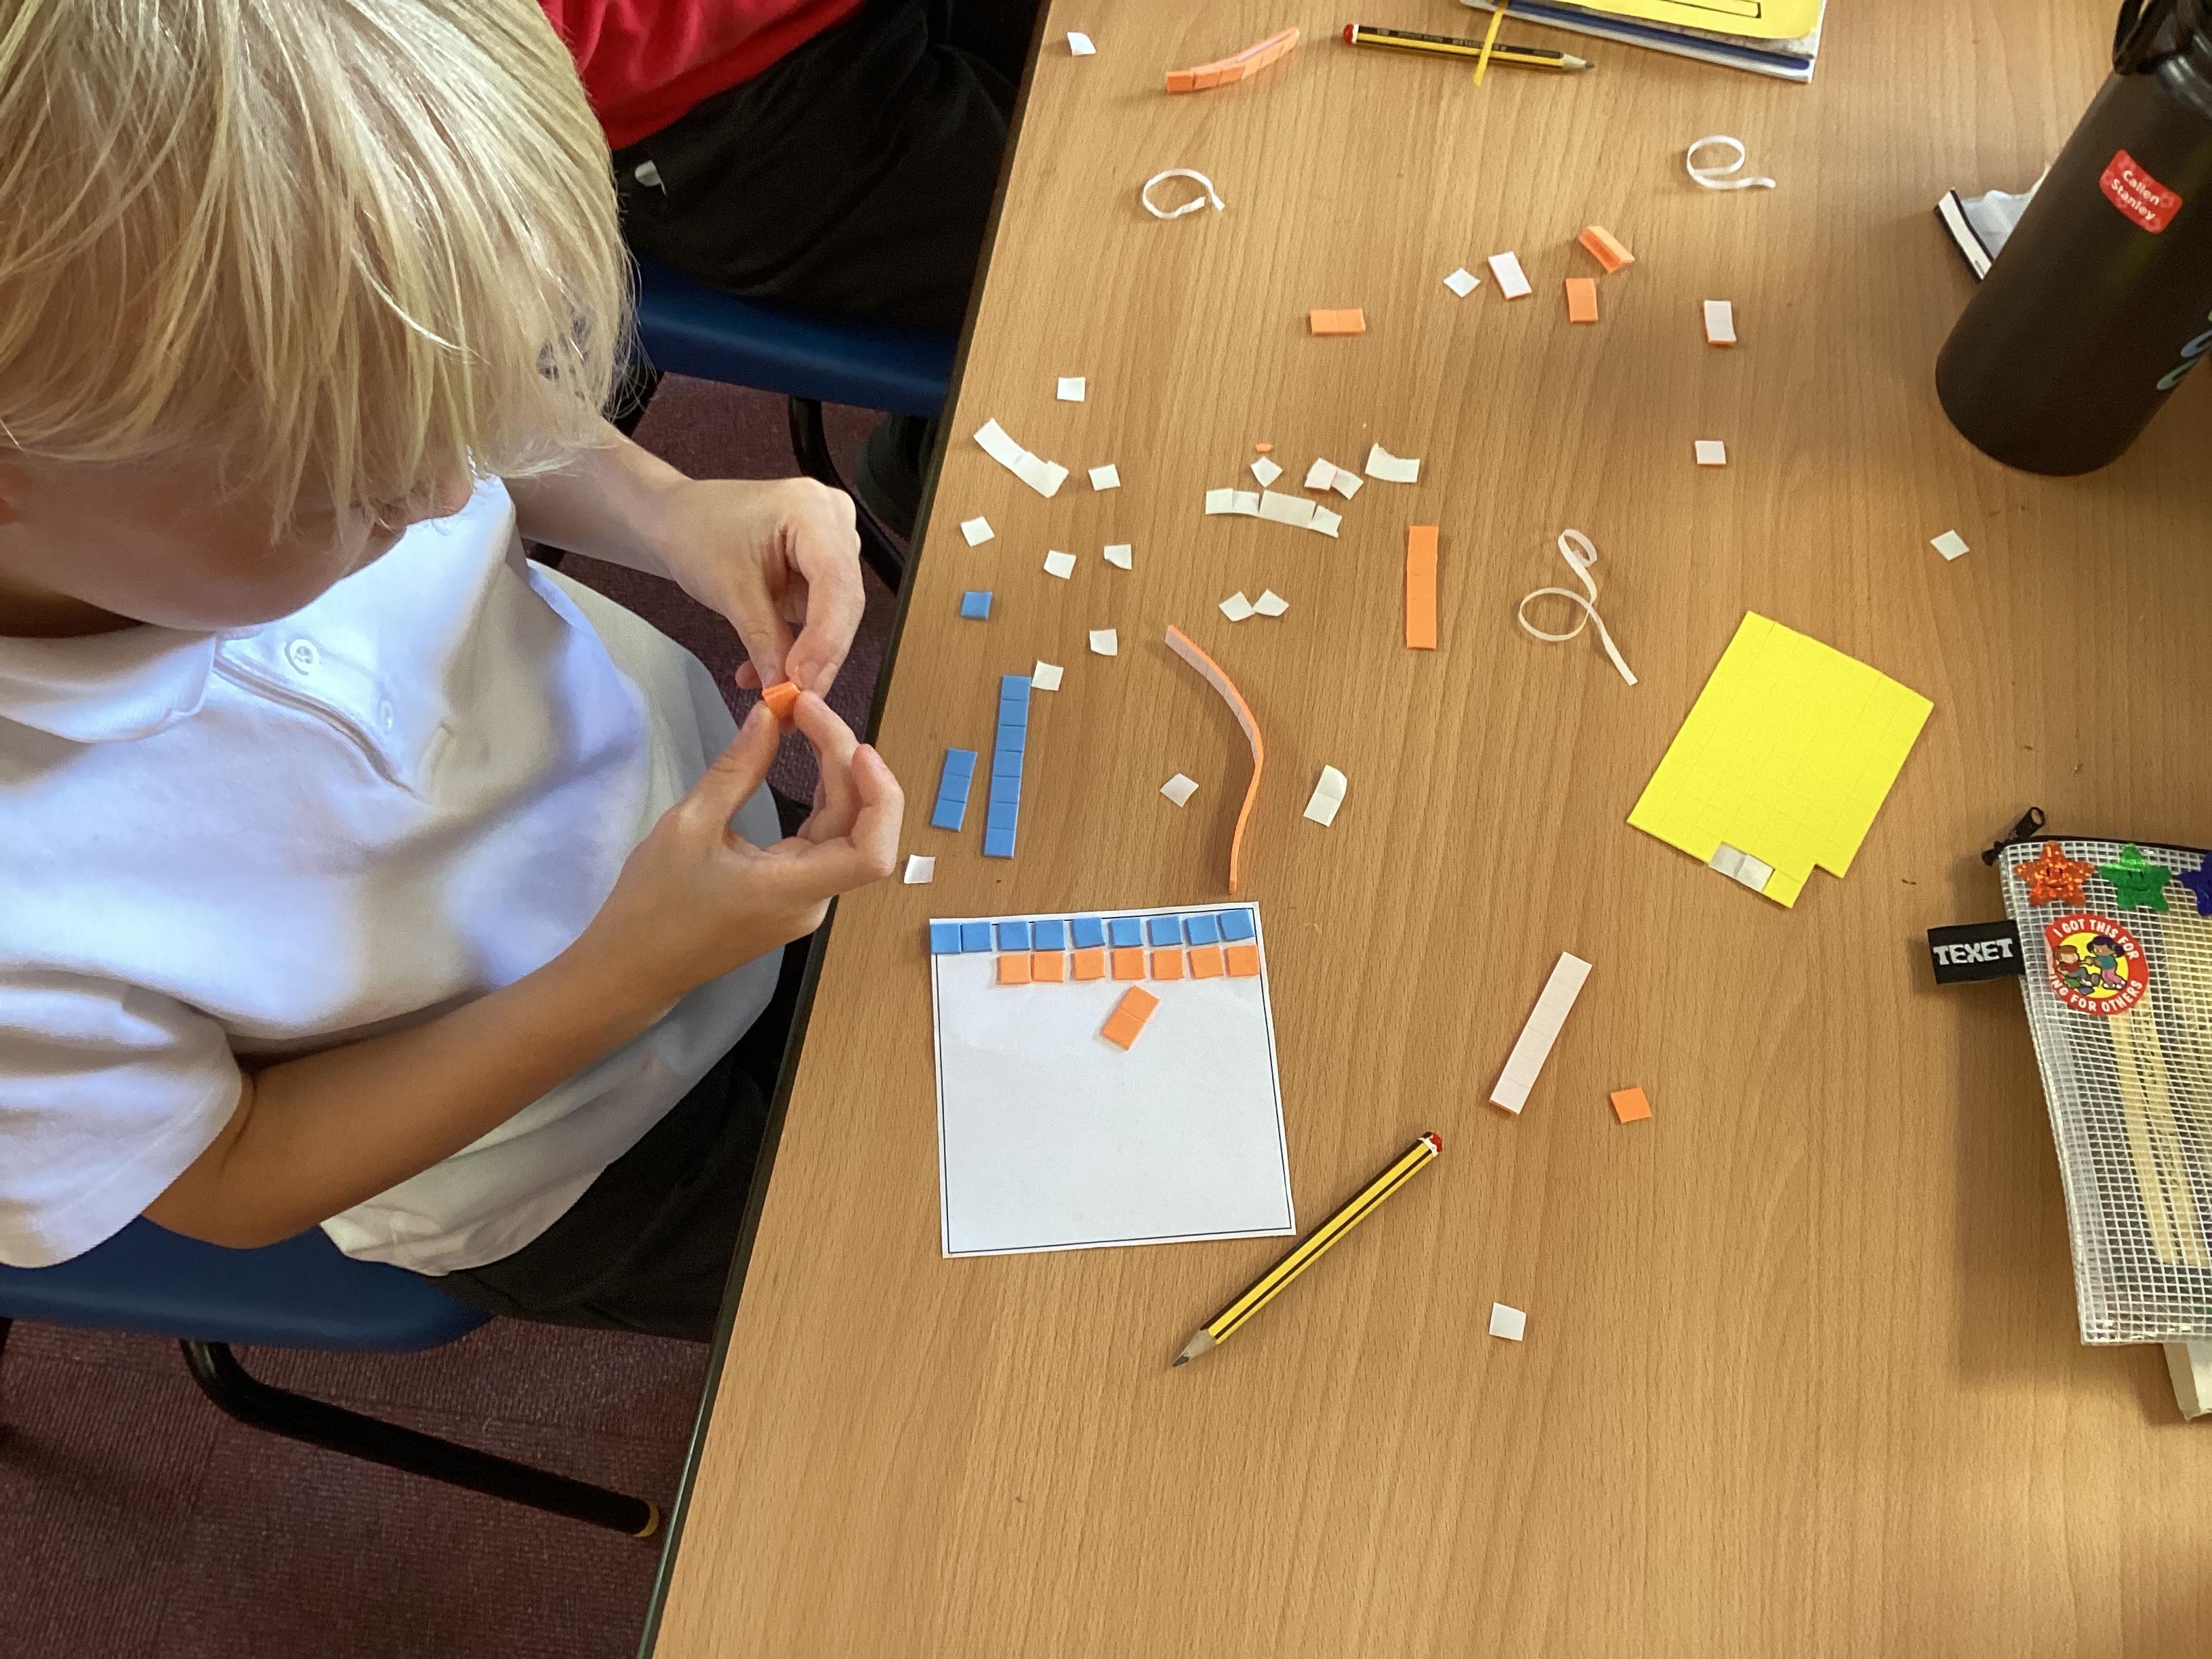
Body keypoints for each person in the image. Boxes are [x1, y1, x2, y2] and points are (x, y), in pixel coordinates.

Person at [0, 0, 904, 1343]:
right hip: (570, 1153)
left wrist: (669, 509)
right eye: (356, 487)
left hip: (694, 839)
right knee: (917, 1301)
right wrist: (625, 973)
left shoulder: (197, 459)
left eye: (456, 423)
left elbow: (453, 421)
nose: (445, 494)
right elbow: (232, 1176)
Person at [539, 0, 1040, 532]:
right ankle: (944, 471)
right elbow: (565, 39)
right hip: (724, 117)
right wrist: (665, 515)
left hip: (828, 33)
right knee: (1087, 269)